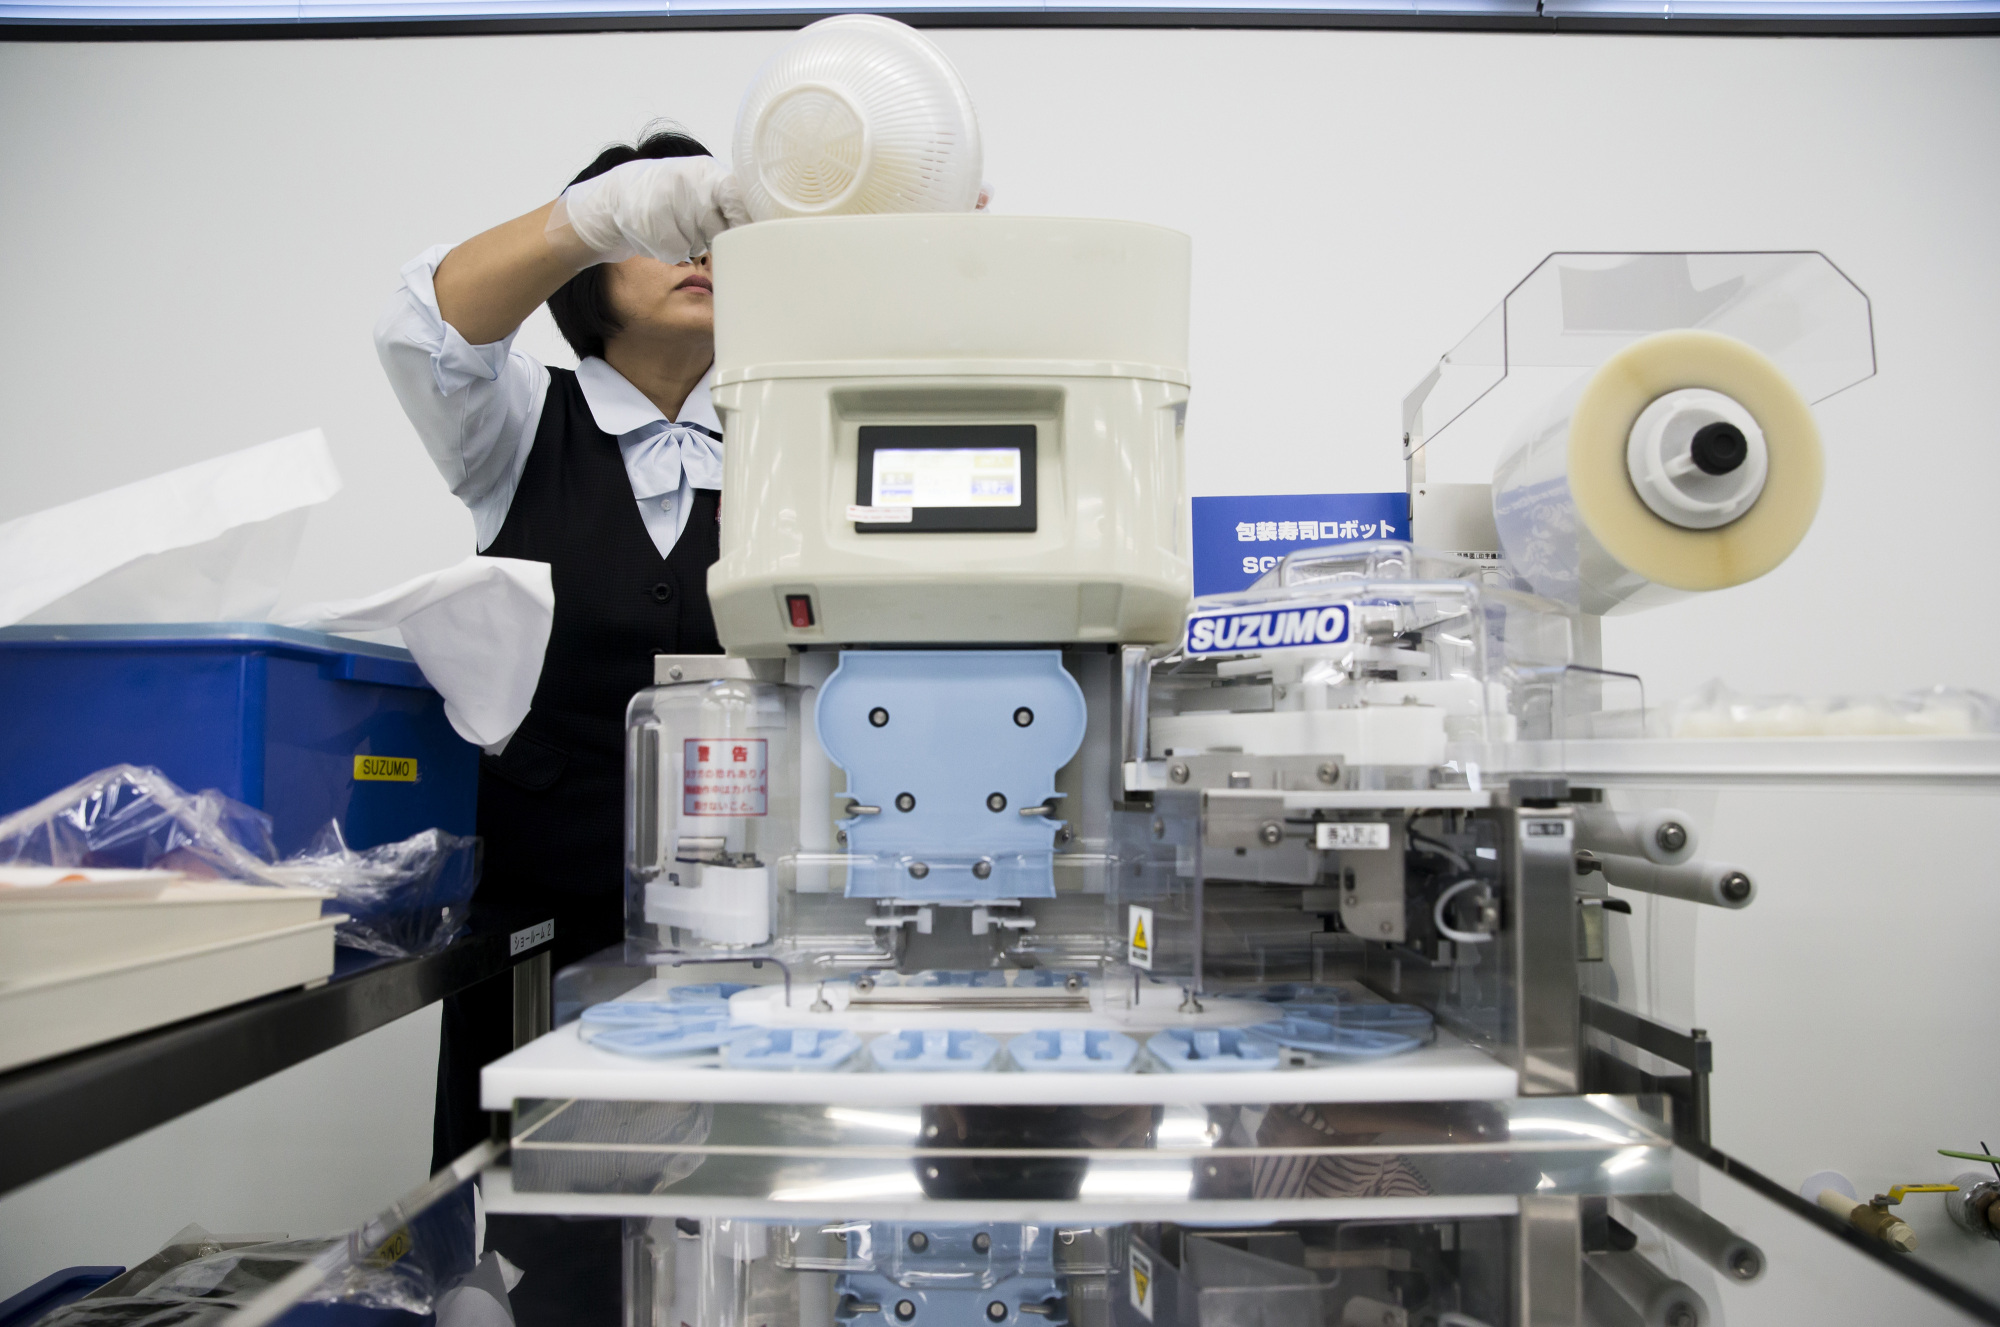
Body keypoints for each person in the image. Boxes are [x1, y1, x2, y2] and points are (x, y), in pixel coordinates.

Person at [374, 126, 749, 1325]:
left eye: (718, 237)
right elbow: (422, 325)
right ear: (593, 275)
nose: (700, 253)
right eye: (670, 235)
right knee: (534, 1260)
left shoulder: (789, 436)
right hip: (538, 924)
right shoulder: (516, 422)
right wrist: (595, 208)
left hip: (743, 932)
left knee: (722, 1245)